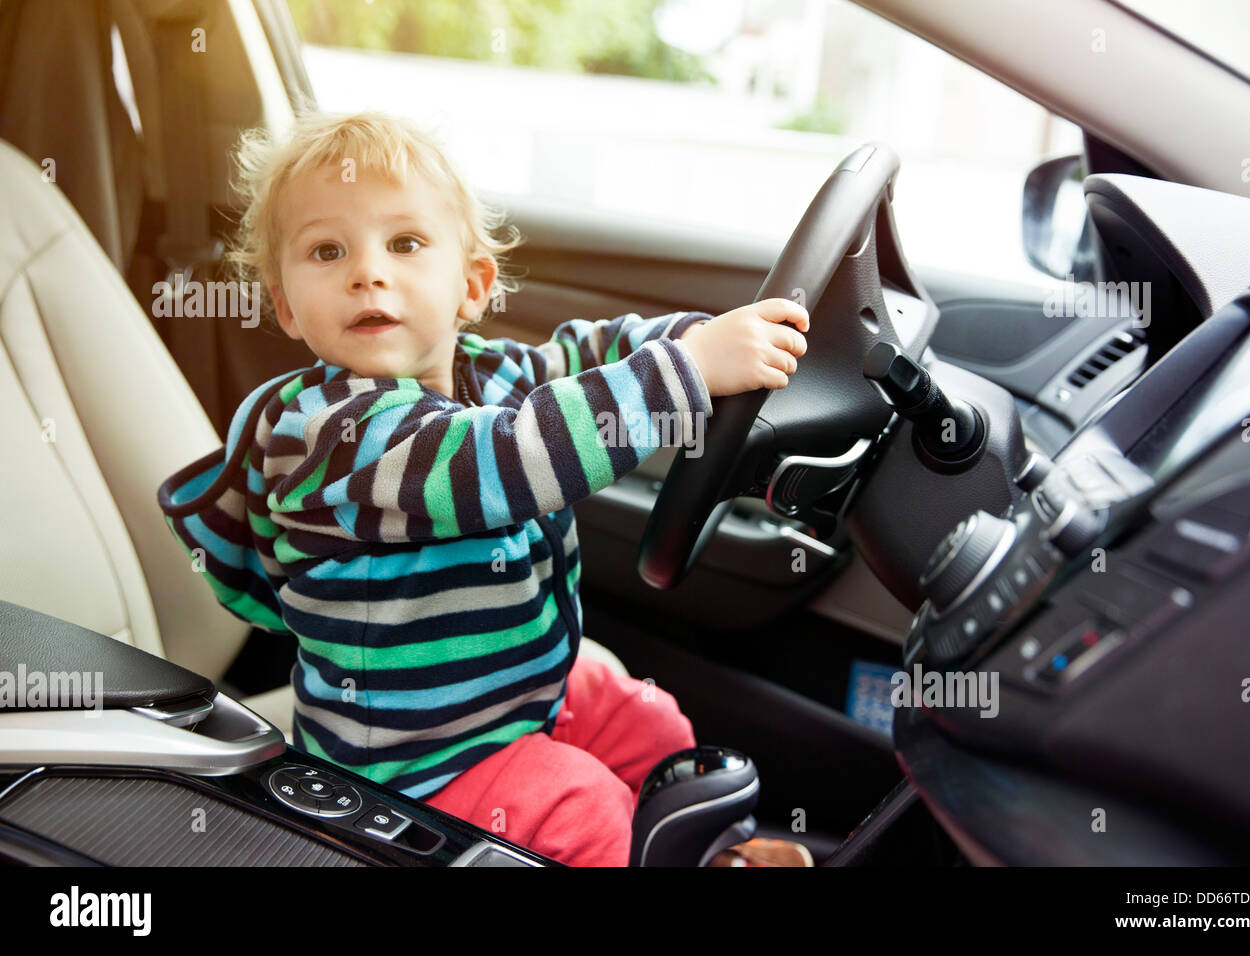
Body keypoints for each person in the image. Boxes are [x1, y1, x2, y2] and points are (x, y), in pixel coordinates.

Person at [157, 111, 809, 866]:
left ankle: (708, 851)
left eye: (404, 244)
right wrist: (687, 373)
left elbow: (584, 356)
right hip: (407, 768)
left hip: (521, 700)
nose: (367, 272)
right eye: (326, 250)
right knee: (586, 808)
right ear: (286, 305)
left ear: (472, 286)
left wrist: (703, 339)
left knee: (649, 723)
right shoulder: (332, 435)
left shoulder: (491, 373)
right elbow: (506, 460)